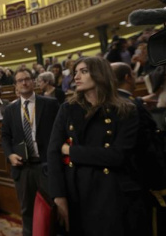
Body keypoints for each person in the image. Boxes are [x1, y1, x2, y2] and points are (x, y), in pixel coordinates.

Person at [48, 57, 147, 235]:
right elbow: (53, 153)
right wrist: (58, 195)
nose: (76, 77)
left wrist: (71, 151)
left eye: (83, 71)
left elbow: (117, 156)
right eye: (75, 72)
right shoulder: (68, 108)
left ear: (100, 74)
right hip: (76, 194)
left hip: (113, 195)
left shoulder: (125, 109)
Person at [1, 68, 59, 236]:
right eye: (20, 80)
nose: (24, 82)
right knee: (27, 209)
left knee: (52, 206)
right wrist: (9, 154)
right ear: (16, 86)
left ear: (33, 81)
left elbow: (59, 131)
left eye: (27, 79)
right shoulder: (10, 110)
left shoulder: (50, 104)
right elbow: (5, 137)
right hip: (22, 168)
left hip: (46, 166)